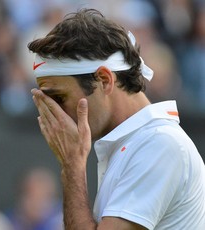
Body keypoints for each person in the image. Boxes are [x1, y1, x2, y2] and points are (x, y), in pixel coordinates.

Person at [29, 8, 205, 230]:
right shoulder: (136, 143)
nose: (57, 114)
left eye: (60, 98)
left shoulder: (159, 144)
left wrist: (72, 165)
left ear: (104, 80)